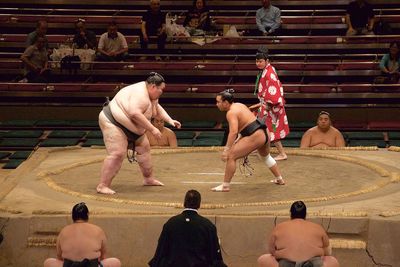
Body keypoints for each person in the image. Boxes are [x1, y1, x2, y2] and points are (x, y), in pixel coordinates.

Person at [97, 72, 181, 194]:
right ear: (153, 86)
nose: (162, 92)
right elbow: (134, 113)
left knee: (144, 150)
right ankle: (103, 185)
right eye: (161, 89)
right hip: (114, 123)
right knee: (117, 153)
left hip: (134, 128)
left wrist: (169, 120)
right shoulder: (140, 94)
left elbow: (157, 108)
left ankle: (148, 179)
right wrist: (152, 129)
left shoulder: (151, 96)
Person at [212, 89, 285, 192]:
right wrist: (240, 138)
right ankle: (279, 179)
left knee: (231, 156)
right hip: (264, 131)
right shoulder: (239, 105)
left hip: (255, 135)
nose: (217, 104)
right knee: (266, 157)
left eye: (218, 102)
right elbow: (247, 122)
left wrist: (226, 149)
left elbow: (233, 132)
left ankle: (225, 186)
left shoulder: (231, 113)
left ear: (226, 102)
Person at [149, 189, 227, 267]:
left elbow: (160, 252)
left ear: (184, 203)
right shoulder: (208, 226)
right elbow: (215, 257)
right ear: (199, 205)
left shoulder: (171, 223)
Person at [257, 201, 339, 267]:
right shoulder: (318, 227)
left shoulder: (279, 227)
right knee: (332, 260)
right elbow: (328, 252)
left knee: (263, 259)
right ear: (305, 214)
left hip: (286, 264)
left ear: (290, 214)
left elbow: (271, 251)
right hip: (313, 264)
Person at [43, 202, 121, 267]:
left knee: (48, 262)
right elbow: (103, 256)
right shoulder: (98, 230)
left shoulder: (64, 231)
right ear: (87, 215)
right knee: (116, 262)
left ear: (73, 216)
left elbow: (59, 256)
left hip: (69, 266)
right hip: (91, 265)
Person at [249, 48, 289, 161]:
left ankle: (282, 153)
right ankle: (259, 148)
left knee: (270, 129)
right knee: (261, 128)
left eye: (260, 61)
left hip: (271, 106)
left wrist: (269, 105)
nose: (258, 63)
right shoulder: (267, 70)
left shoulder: (269, 72)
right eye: (256, 61)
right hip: (266, 105)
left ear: (267, 61)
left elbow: (273, 90)